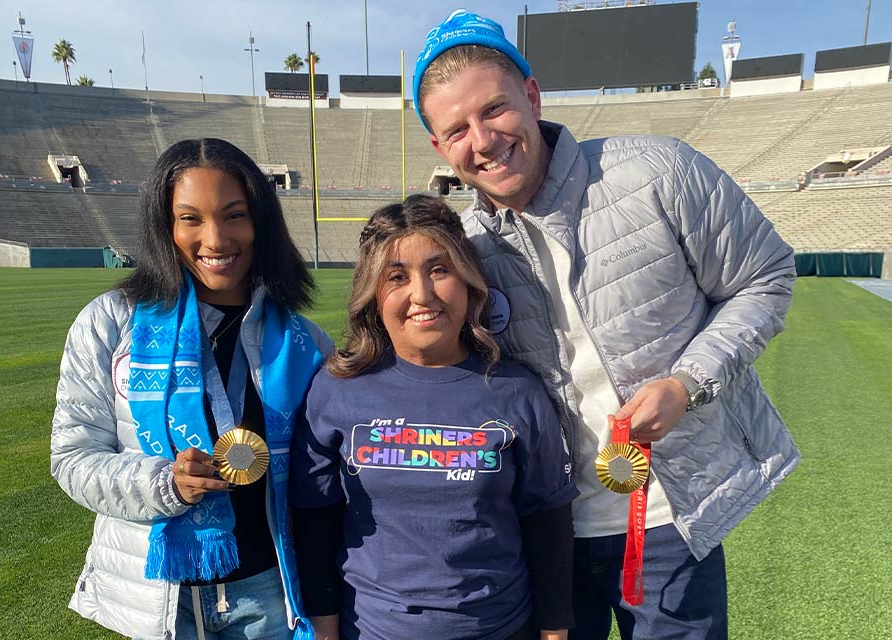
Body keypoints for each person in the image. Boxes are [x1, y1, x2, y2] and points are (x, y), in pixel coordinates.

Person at [412, 10, 799, 640]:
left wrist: (687, 383)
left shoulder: (656, 171)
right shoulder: (467, 250)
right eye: (456, 130)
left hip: (671, 519)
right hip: (545, 534)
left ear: (532, 97)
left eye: (495, 110)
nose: (482, 141)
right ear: (440, 147)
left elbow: (767, 276)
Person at [51, 138, 334, 640]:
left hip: (268, 595)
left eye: (234, 215)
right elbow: (72, 459)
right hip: (159, 597)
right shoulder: (110, 324)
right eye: (191, 219)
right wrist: (165, 484)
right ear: (165, 225)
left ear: (260, 221)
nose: (216, 238)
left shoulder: (303, 342)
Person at [289, 194, 579, 640]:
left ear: (467, 280)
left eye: (439, 270)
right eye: (397, 277)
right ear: (373, 291)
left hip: (500, 628)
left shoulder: (516, 389)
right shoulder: (337, 388)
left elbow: (547, 517)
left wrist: (555, 632)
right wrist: (325, 631)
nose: (421, 295)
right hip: (374, 630)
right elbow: (316, 519)